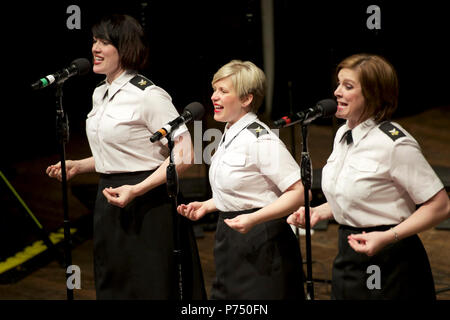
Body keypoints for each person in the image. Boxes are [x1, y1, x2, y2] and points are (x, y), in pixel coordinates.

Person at [46, 14, 205, 300]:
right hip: (109, 199)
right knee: (115, 283)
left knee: (151, 284)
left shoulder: (149, 95)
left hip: (148, 202)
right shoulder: (99, 93)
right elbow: (122, 152)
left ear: (125, 48)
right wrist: (80, 166)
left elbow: (184, 155)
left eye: (104, 42)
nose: (95, 48)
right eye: (94, 40)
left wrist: (137, 189)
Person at [287, 53, 450, 300]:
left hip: (391, 260)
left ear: (373, 94)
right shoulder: (343, 134)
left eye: (348, 86)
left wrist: (387, 237)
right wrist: (320, 212)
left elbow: (440, 206)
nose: (337, 92)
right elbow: (360, 194)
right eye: (339, 84)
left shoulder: (394, 143)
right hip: (349, 255)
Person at [177, 60, 305, 300]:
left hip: (262, 240)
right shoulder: (230, 133)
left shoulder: (261, 139)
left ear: (246, 99)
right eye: (215, 89)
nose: (214, 97)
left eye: (223, 91)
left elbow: (300, 192)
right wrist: (208, 205)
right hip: (230, 237)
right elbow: (246, 188)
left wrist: (254, 219)